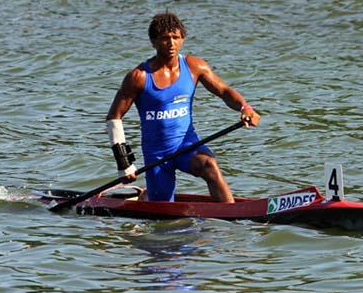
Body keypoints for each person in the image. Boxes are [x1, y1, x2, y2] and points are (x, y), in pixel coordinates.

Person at [106, 12, 260, 203]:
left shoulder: (195, 66)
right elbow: (114, 117)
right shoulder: (139, 77)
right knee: (161, 208)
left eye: (175, 38)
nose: (171, 43)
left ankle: (234, 218)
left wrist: (245, 107)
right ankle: (146, 197)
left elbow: (224, 90)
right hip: (157, 154)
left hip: (187, 144)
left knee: (209, 166)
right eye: (164, 38)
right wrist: (124, 164)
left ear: (182, 40)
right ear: (153, 42)